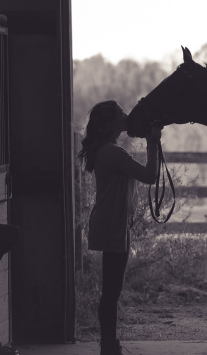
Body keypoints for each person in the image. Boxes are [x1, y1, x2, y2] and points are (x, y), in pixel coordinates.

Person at [77, 100, 162, 355]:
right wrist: (153, 142)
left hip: (112, 222)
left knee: (111, 289)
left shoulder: (106, 150)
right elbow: (150, 175)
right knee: (112, 290)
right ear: (112, 122)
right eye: (121, 114)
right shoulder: (113, 153)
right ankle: (109, 346)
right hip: (113, 224)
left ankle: (109, 344)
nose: (126, 116)